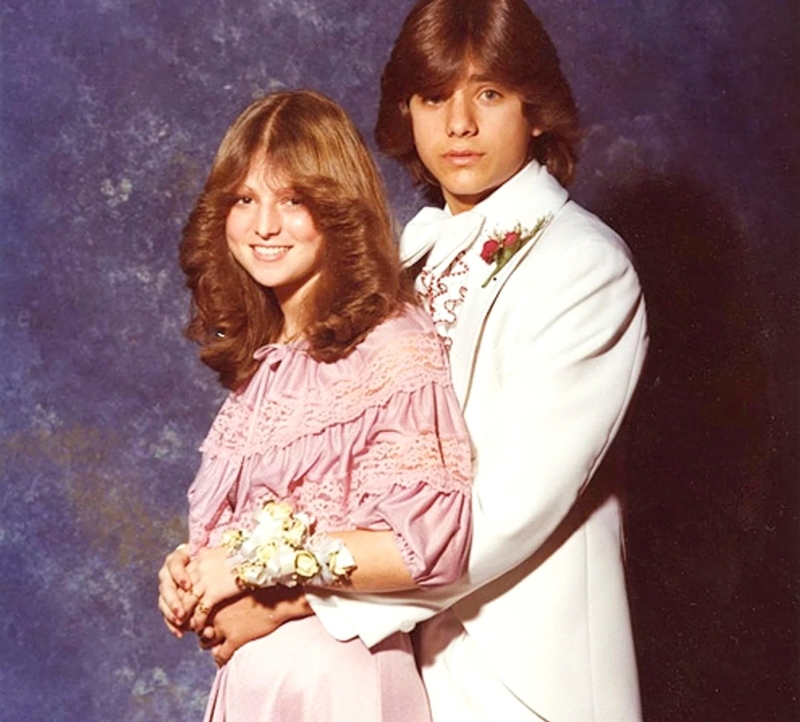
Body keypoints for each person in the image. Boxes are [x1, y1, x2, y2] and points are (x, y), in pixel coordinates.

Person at [163, 0, 649, 719]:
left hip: (512, 673)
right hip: (381, 670)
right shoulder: (396, 264)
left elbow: (498, 516)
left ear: (537, 108)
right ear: (405, 113)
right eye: (432, 97)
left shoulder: (583, 267)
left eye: (488, 93)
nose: (458, 125)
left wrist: (291, 599)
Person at [156, 88, 474, 722]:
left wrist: (246, 570)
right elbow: (256, 532)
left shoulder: (390, 344)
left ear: (338, 210)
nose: (264, 226)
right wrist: (188, 570)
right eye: (245, 200)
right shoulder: (269, 365)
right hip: (258, 684)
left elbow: (426, 545)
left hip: (337, 681)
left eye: (292, 201)